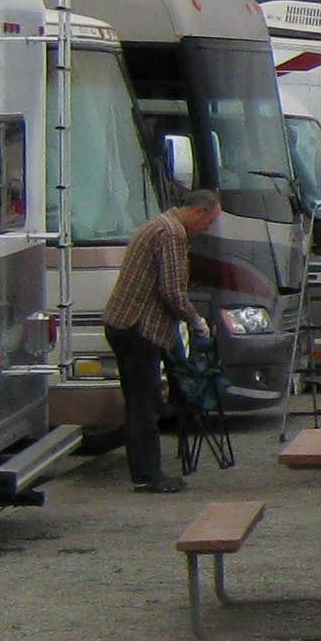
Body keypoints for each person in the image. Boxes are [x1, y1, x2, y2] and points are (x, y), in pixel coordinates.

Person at [104, 191, 219, 493]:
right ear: (197, 212)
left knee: (144, 400)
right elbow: (172, 290)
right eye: (210, 219)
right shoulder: (171, 234)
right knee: (144, 404)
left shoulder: (159, 224)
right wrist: (196, 321)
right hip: (138, 326)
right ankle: (148, 475)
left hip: (124, 321)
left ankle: (144, 469)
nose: (208, 226)